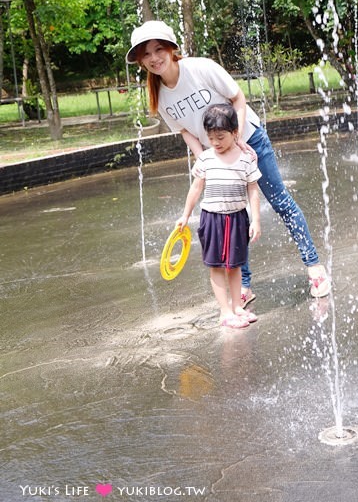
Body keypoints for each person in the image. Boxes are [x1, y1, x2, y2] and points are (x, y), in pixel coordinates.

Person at [126, 20, 331, 304]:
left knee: (280, 202)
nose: (153, 58)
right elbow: (186, 130)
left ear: (172, 49)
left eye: (158, 49)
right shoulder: (159, 95)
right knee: (233, 217)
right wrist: (205, 160)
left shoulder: (200, 68)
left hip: (249, 141)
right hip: (217, 157)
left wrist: (237, 141)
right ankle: (243, 286)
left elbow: (238, 99)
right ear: (139, 60)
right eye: (145, 54)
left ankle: (314, 266)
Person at [175, 103, 261, 329]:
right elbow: (196, 188)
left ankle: (237, 307)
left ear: (235, 133)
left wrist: (256, 220)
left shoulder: (245, 159)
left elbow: (253, 189)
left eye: (220, 137)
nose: (215, 142)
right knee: (216, 266)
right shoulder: (206, 159)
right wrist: (185, 215)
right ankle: (224, 312)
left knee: (235, 265)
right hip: (212, 218)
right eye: (211, 137)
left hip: (237, 218)